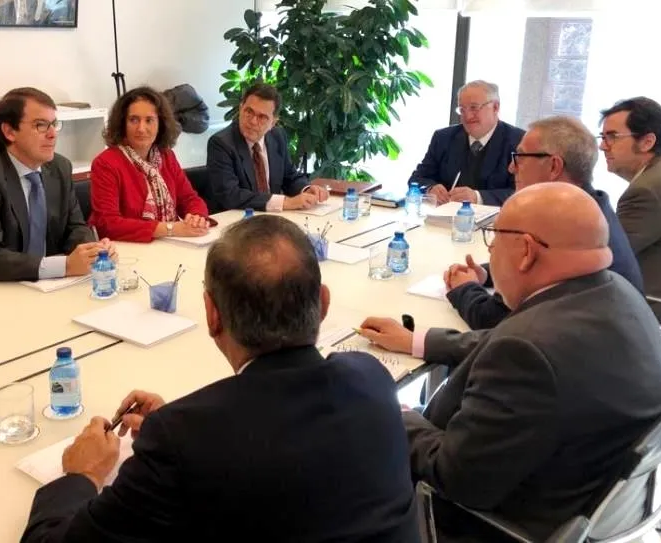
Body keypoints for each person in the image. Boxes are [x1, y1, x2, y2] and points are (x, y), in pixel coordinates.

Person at [21, 215, 419, 542]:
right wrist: (184, 423)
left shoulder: (182, 441)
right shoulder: (372, 378)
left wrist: (83, 475)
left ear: (211, 314)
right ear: (324, 304)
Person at [360, 183, 661, 542]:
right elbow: (518, 341)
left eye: (493, 240)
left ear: (525, 250)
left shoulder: (527, 353)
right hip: (574, 485)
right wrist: (418, 340)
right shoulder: (615, 293)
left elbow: (457, 477)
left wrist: (395, 414)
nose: (490, 253)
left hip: (488, 521)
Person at [444, 116, 643, 330]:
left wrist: (464, 288)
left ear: (554, 166)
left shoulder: (566, 226)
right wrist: (487, 273)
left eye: (519, 157)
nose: (511, 168)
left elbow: (494, 320)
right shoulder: (593, 207)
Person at [0, 87, 112, 283]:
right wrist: (65, 266)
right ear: (9, 131)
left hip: (39, 284)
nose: (53, 134)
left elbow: (75, 227)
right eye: (41, 125)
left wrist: (93, 252)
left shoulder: (60, 167)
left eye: (54, 124)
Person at [600, 97, 661, 318]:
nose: (602, 146)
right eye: (602, 137)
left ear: (647, 142)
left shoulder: (648, 191)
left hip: (651, 310)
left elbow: (606, 256)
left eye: (612, 137)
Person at [89, 86, 211, 243]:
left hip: (166, 244)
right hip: (127, 250)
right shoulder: (106, 163)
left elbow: (189, 199)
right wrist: (169, 229)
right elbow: (108, 224)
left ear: (161, 123)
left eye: (149, 120)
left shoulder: (166, 156)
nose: (141, 128)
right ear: (122, 123)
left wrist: (196, 218)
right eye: (133, 120)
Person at [205, 82, 328, 213]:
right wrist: (286, 202)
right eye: (249, 112)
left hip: (272, 218)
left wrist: (306, 189)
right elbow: (230, 195)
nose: (252, 121)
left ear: (273, 122)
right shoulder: (221, 143)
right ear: (241, 108)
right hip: (238, 219)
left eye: (262, 117)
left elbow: (289, 176)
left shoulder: (277, 136)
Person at [410, 80, 525, 206]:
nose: (468, 116)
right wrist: (430, 188)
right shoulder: (444, 138)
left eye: (474, 108)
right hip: (445, 219)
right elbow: (417, 178)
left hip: (496, 221)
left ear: (495, 107)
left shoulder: (520, 141)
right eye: (462, 110)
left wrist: (478, 197)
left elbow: (524, 192)